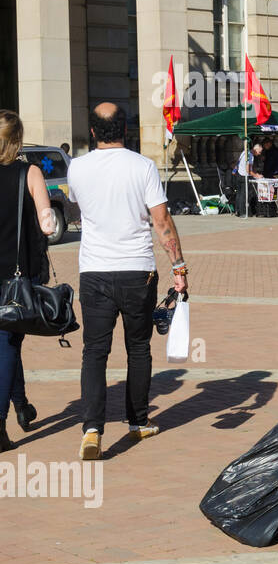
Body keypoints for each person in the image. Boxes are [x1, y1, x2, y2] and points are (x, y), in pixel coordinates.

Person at [68, 103, 189, 462]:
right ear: (126, 129)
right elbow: (162, 220)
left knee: (94, 351)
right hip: (137, 270)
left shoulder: (77, 167)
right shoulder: (143, 166)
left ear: (92, 131)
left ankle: (92, 428)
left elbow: (77, 208)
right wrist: (179, 267)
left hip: (94, 271)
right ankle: (138, 421)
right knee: (138, 348)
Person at [0, 113, 57, 452]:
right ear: (18, 139)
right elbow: (47, 223)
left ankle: (21, 403)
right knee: (8, 341)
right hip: (18, 277)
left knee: (9, 340)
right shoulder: (29, 172)